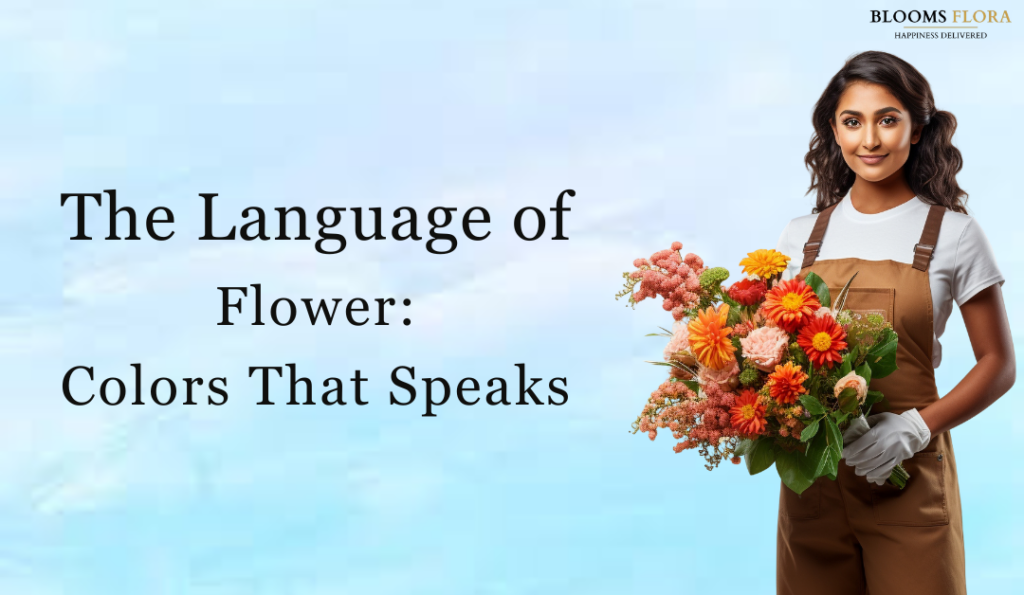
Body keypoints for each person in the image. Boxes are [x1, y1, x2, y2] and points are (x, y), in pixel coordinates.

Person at [772, 51, 1015, 595]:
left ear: (918, 126)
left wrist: (917, 427)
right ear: (833, 130)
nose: (870, 140)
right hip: (814, 479)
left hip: (906, 478)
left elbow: (998, 365)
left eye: (888, 119)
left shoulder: (953, 234)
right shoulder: (800, 238)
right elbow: (772, 354)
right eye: (852, 121)